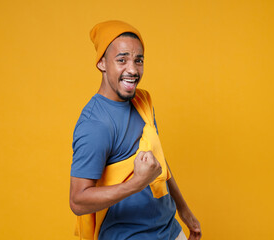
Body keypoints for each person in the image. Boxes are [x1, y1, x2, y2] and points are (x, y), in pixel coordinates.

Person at [70, 20, 201, 240]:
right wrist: (136, 184)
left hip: (168, 229)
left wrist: (183, 209)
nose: (132, 69)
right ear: (102, 63)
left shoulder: (142, 100)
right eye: (122, 60)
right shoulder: (95, 124)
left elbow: (158, 158)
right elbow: (78, 201)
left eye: (138, 60)